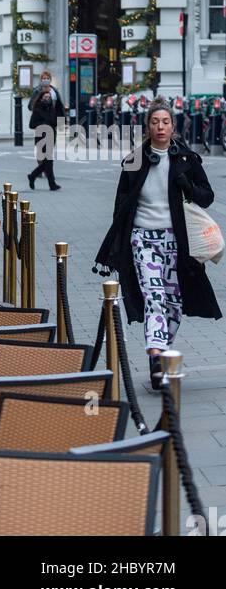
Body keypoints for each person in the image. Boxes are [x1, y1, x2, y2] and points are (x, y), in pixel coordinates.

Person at [95, 98, 221, 391]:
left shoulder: (186, 159)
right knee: (154, 296)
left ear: (173, 126)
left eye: (165, 122)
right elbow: (121, 204)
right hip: (143, 239)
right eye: (155, 122)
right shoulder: (135, 159)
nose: (160, 127)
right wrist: (117, 246)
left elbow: (207, 197)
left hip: (177, 242)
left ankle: (162, 352)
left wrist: (185, 185)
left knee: (174, 303)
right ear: (148, 126)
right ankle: (155, 357)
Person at [27, 71, 67, 191]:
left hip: (51, 134)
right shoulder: (38, 109)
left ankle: (33, 176)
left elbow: (59, 111)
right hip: (41, 135)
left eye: (49, 97)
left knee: (47, 160)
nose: (47, 99)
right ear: (41, 98)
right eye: (45, 97)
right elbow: (31, 124)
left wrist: (60, 125)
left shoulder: (52, 107)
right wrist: (43, 124)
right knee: (48, 160)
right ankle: (51, 184)